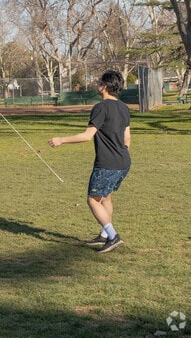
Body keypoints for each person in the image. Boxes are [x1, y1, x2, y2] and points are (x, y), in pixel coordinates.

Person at [49, 70, 131, 253]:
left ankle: (113, 236)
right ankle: (103, 235)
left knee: (93, 200)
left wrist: (61, 140)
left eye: (99, 81)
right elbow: (127, 138)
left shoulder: (101, 108)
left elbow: (87, 136)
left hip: (107, 163)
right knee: (106, 196)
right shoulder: (124, 107)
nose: (97, 83)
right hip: (124, 162)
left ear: (105, 86)